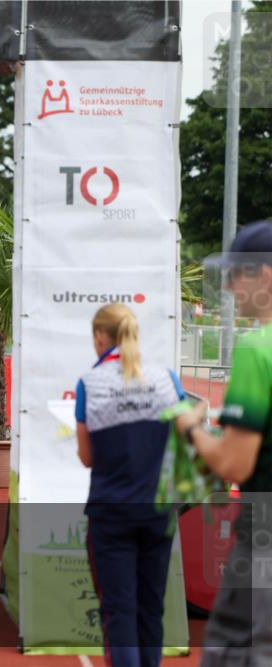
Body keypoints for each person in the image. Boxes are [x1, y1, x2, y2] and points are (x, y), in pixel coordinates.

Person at [173, 220, 272, 666]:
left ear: (264, 276)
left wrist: (191, 426)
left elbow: (233, 464)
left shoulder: (258, 350)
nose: (229, 287)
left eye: (235, 275)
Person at [74, 303, 186, 667]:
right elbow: (187, 436)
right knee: (151, 609)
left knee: (118, 612)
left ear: (100, 337)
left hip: (112, 512)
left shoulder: (90, 383)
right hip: (158, 510)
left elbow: (87, 457)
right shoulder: (166, 379)